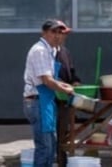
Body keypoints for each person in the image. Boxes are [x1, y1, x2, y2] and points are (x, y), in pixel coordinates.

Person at [23, 19, 75, 167]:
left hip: (46, 101)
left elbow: (52, 79)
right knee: (45, 147)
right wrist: (67, 90)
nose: (57, 36)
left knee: (51, 146)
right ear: (44, 33)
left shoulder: (50, 51)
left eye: (60, 32)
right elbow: (46, 80)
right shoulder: (40, 51)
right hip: (37, 101)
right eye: (54, 32)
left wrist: (64, 84)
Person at [54, 24, 80, 165]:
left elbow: (72, 72)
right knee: (53, 134)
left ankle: (62, 160)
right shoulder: (47, 53)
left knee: (64, 134)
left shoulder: (65, 52)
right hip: (52, 99)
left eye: (65, 34)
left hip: (66, 100)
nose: (63, 37)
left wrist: (75, 82)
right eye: (61, 33)